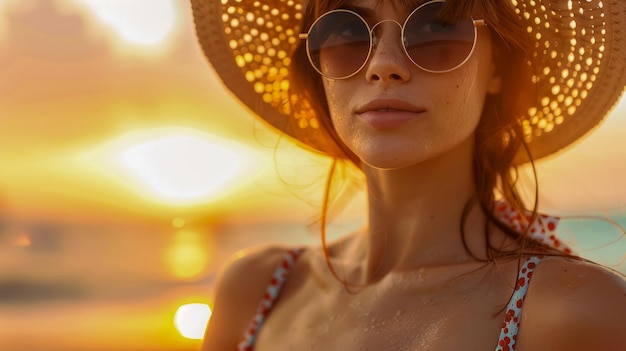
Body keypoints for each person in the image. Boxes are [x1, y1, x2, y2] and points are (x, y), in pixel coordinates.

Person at [191, 0, 626, 349]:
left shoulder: (575, 311)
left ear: (497, 67)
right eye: (345, 32)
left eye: (435, 26)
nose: (384, 65)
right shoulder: (255, 291)